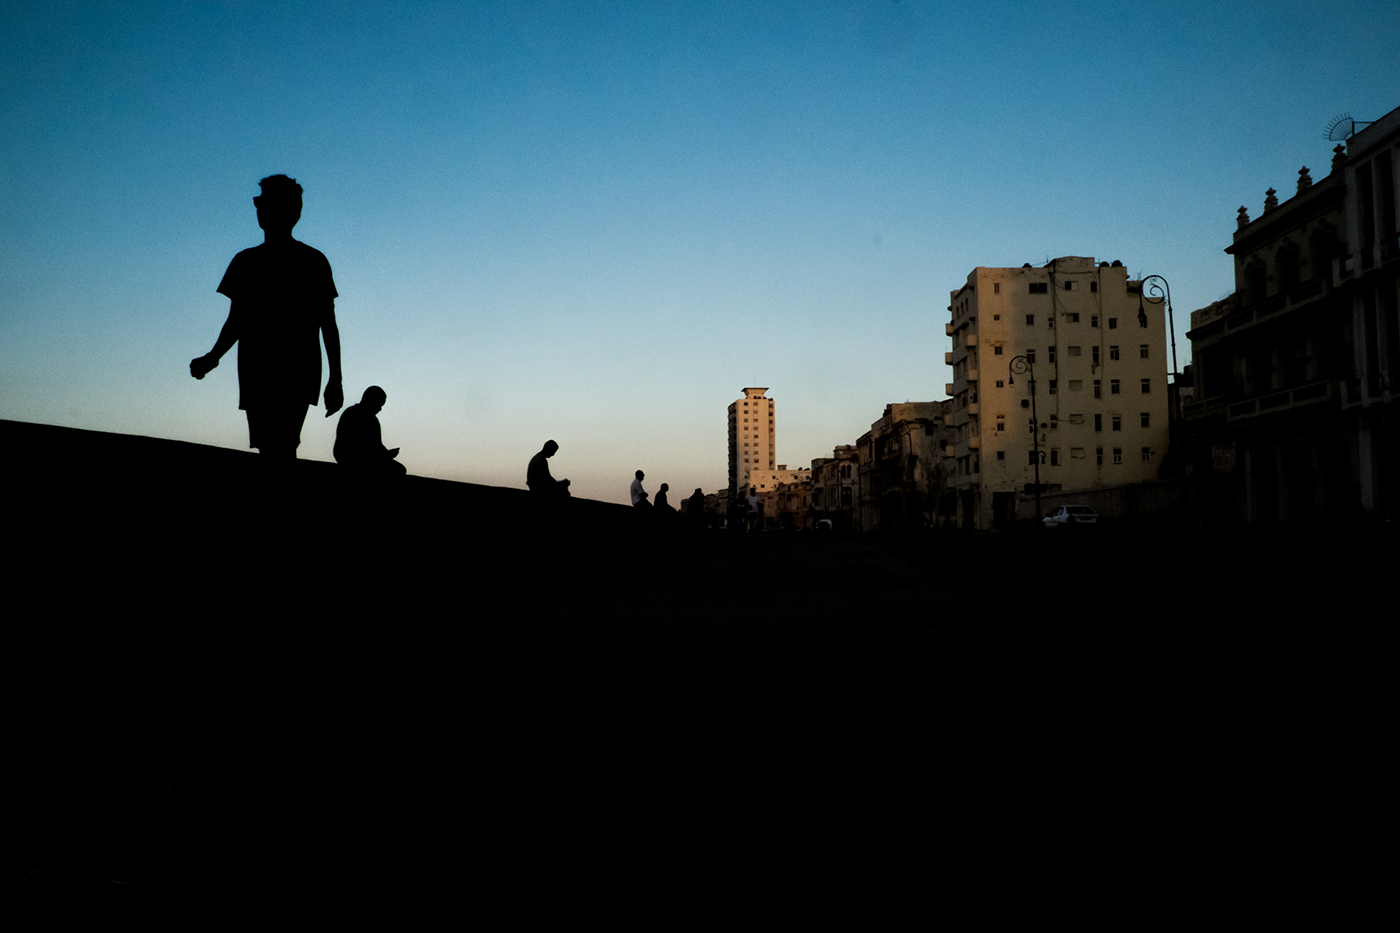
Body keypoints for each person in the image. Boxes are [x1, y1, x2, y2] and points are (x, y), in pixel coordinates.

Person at [190, 175, 342, 458]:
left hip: (289, 369)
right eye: (258, 202)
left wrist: (336, 380)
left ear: (291, 211)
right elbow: (237, 320)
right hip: (260, 368)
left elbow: (327, 324)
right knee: (273, 446)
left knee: (279, 445)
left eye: (264, 202)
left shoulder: (310, 262)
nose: (259, 209)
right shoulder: (248, 261)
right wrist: (213, 357)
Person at [334, 386, 405, 477]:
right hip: (352, 458)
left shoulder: (361, 416)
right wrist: (386, 455)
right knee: (398, 470)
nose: (380, 409)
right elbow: (363, 447)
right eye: (379, 405)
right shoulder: (354, 415)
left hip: (356, 457)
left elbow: (377, 445)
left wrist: (387, 454)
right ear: (371, 401)